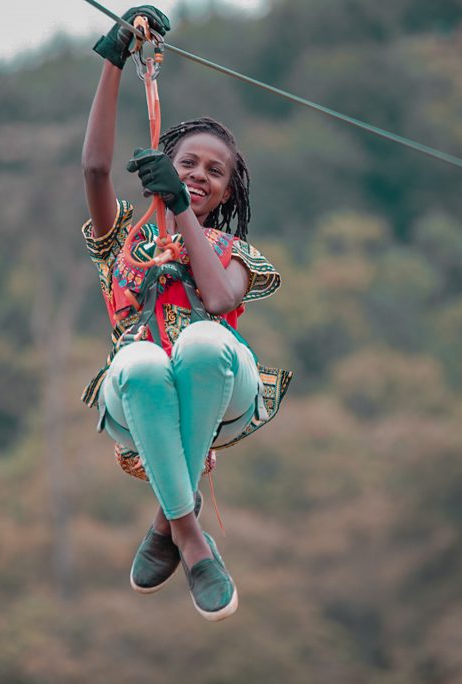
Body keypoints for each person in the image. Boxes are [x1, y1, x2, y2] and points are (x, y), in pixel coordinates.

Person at [80, 5, 291, 622]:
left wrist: (180, 210)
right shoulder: (120, 236)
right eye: (188, 164)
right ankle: (189, 533)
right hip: (137, 399)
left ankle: (166, 519)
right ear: (165, 162)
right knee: (142, 359)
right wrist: (115, 56)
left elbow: (221, 300)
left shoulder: (236, 253)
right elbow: (94, 168)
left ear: (228, 192)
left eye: (214, 172)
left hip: (220, 390)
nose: (200, 175)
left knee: (200, 342)